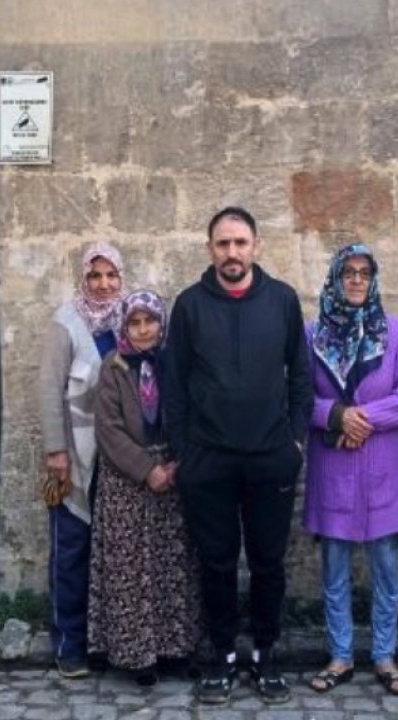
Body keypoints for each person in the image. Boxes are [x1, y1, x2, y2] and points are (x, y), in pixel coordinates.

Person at [162, 206, 312, 705]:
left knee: (269, 562)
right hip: (209, 460)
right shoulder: (189, 306)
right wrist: (184, 451)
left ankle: (266, 653)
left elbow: (301, 378)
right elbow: (174, 385)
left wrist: (294, 442)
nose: (232, 252)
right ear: (210, 249)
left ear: (256, 246)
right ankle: (224, 654)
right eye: (223, 244)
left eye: (241, 243)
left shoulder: (284, 301)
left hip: (271, 457)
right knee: (217, 562)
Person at [301, 244, 398, 696]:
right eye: (348, 272)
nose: (356, 280)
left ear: (373, 279)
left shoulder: (393, 333)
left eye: (364, 273)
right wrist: (335, 415)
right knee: (334, 568)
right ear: (335, 279)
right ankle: (340, 655)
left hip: (381, 468)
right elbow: (297, 394)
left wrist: (362, 418)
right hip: (334, 464)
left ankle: (386, 655)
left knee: (386, 567)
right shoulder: (313, 334)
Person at [89, 289, 202, 686]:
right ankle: (137, 655)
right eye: (134, 323)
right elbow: (108, 428)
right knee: (132, 570)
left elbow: (190, 413)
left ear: (161, 324)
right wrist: (146, 470)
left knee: (171, 566)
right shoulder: (113, 366)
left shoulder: (175, 364)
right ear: (124, 326)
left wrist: (175, 464)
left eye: (149, 321)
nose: (142, 330)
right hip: (127, 479)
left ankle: (174, 649)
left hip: (172, 474)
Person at [38, 242, 126, 678]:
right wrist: (56, 451)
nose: (103, 285)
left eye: (111, 275)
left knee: (118, 554)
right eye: (95, 276)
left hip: (123, 459)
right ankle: (70, 643)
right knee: (72, 549)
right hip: (77, 455)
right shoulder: (65, 322)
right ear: (83, 278)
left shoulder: (134, 318)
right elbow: (50, 389)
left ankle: (112, 641)